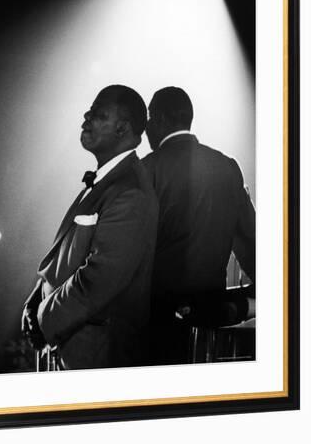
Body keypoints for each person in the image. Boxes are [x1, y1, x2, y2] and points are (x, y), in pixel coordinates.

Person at [22, 85, 158, 370]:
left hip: (96, 355)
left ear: (122, 128)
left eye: (99, 114)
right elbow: (67, 257)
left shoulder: (130, 192)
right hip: (77, 346)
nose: (86, 116)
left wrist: (45, 317)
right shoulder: (108, 180)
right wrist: (36, 297)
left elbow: (99, 279)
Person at [143, 86, 256, 364]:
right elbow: (251, 241)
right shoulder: (228, 167)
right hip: (210, 315)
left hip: (154, 319)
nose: (145, 127)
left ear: (159, 118)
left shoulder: (147, 169)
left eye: (148, 117)